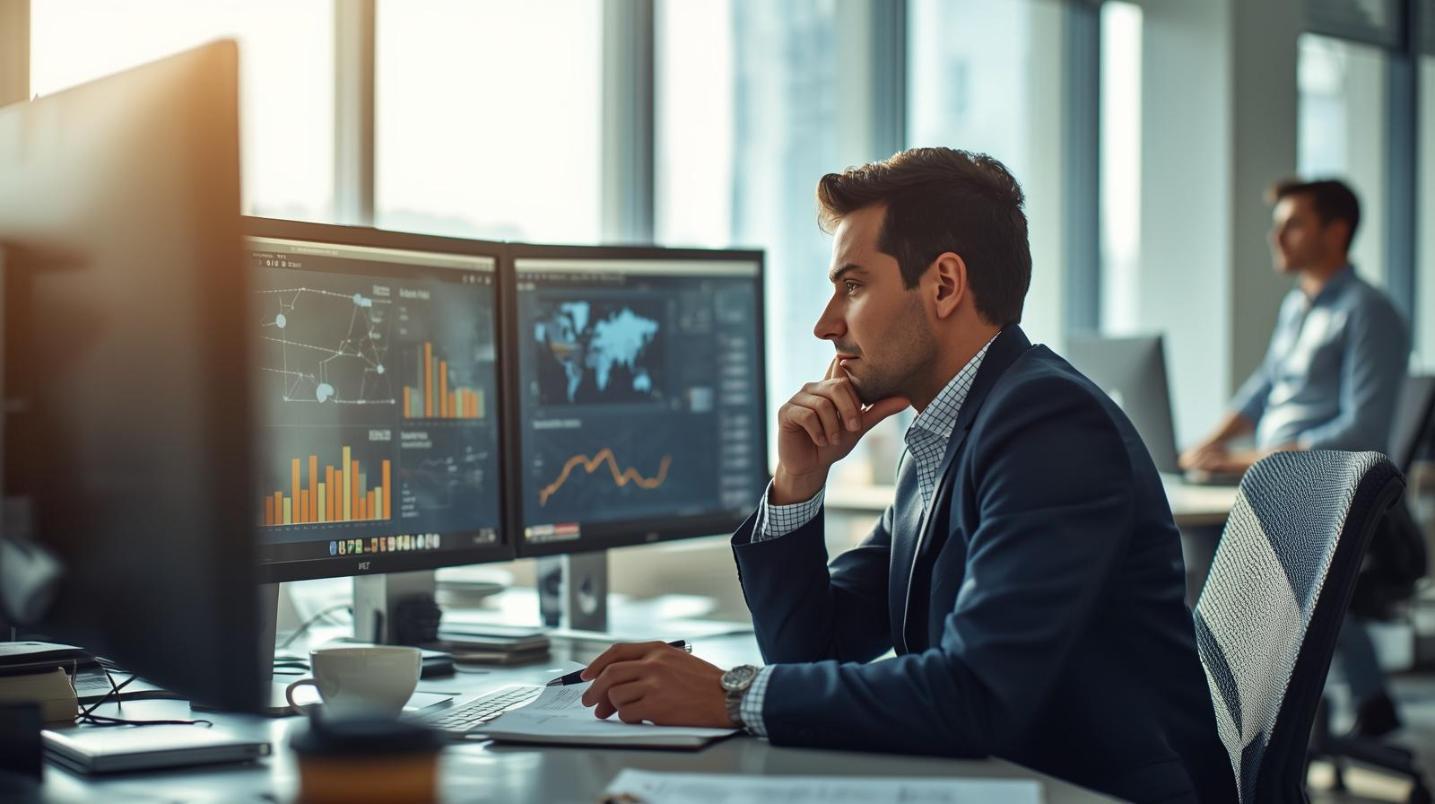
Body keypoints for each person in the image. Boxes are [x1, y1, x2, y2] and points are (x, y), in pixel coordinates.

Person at [579, 147, 1236, 802]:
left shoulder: (1047, 423)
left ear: (944, 285)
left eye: (852, 285)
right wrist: (796, 481)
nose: (825, 324)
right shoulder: (947, 435)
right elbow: (811, 653)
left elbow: (975, 694)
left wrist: (729, 694)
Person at [1180, 178, 1411, 736]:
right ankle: (1323, 705)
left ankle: (1273, 721)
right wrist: (1209, 444)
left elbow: (1365, 428)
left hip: (1329, 497)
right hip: (1274, 484)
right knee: (1194, 556)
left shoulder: (1367, 311)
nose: (1276, 236)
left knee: (1233, 569)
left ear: (1337, 232)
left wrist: (1247, 460)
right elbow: (1261, 391)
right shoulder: (1297, 308)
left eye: (1294, 224)